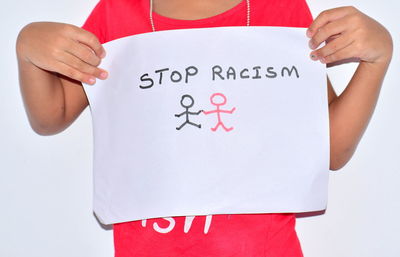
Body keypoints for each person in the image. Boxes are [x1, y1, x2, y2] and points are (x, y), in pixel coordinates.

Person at [16, 0, 392, 256]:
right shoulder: (117, 11)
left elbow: (331, 148)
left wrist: (377, 58)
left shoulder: (278, 9)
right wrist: (28, 47)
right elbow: (52, 115)